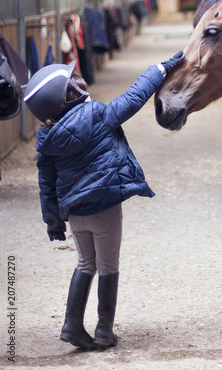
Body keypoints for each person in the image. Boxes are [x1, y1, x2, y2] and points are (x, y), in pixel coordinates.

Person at [23, 51, 184, 349]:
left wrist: (54, 221)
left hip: (76, 214)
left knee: (85, 262)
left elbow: (46, 184)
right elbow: (132, 100)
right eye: (74, 81)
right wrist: (158, 70)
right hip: (104, 207)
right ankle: (104, 330)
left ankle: (72, 324)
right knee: (108, 265)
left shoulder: (47, 141)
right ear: (70, 94)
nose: (80, 81)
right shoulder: (96, 115)